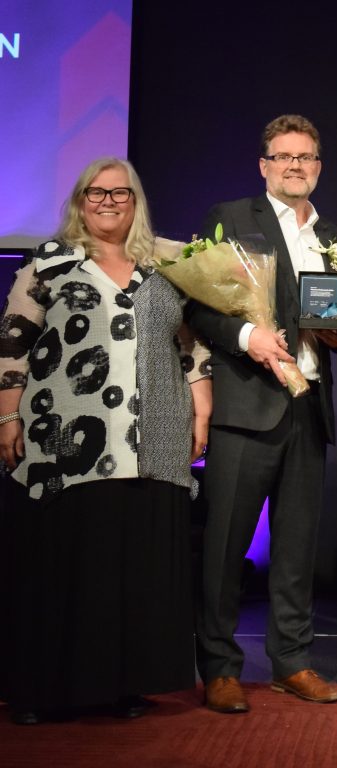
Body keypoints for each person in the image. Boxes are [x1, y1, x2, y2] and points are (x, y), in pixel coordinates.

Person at [0, 157, 212, 725]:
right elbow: (13, 342)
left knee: (133, 564)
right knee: (66, 563)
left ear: (136, 201)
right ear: (79, 200)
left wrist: (203, 403)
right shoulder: (50, 262)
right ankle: (40, 689)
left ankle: (125, 683)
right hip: (66, 437)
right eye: (96, 193)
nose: (108, 202)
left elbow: (190, 344)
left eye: (120, 193)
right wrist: (7, 416)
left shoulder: (166, 264)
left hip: (153, 436)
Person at [188, 114, 337, 713]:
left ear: (318, 166)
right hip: (246, 405)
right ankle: (221, 668)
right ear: (264, 166)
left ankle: (293, 662)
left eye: (305, 157)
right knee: (225, 547)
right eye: (283, 157)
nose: (294, 166)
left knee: (295, 549)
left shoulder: (332, 233)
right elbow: (199, 307)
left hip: (308, 409)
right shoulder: (232, 218)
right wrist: (243, 338)